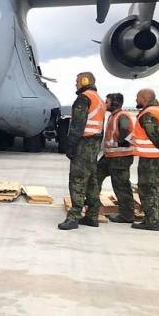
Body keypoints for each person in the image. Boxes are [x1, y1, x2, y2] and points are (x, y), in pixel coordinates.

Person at [58, 72, 105, 230]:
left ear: (85, 81)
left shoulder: (84, 98)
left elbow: (77, 125)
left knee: (77, 180)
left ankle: (74, 217)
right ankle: (92, 215)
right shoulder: (99, 99)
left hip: (83, 144)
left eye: (78, 81)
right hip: (94, 144)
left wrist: (70, 145)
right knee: (91, 181)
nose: (76, 84)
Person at [90, 93, 136, 223]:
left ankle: (127, 215)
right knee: (95, 176)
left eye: (108, 102)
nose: (105, 104)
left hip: (120, 157)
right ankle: (93, 205)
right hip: (110, 156)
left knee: (121, 186)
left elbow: (125, 132)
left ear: (115, 103)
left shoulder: (122, 116)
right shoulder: (113, 116)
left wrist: (121, 142)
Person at [130, 88, 159, 231]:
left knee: (147, 189)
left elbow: (155, 137)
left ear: (144, 98)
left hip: (151, 159)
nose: (136, 100)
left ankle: (151, 221)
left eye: (138, 97)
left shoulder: (148, 114)